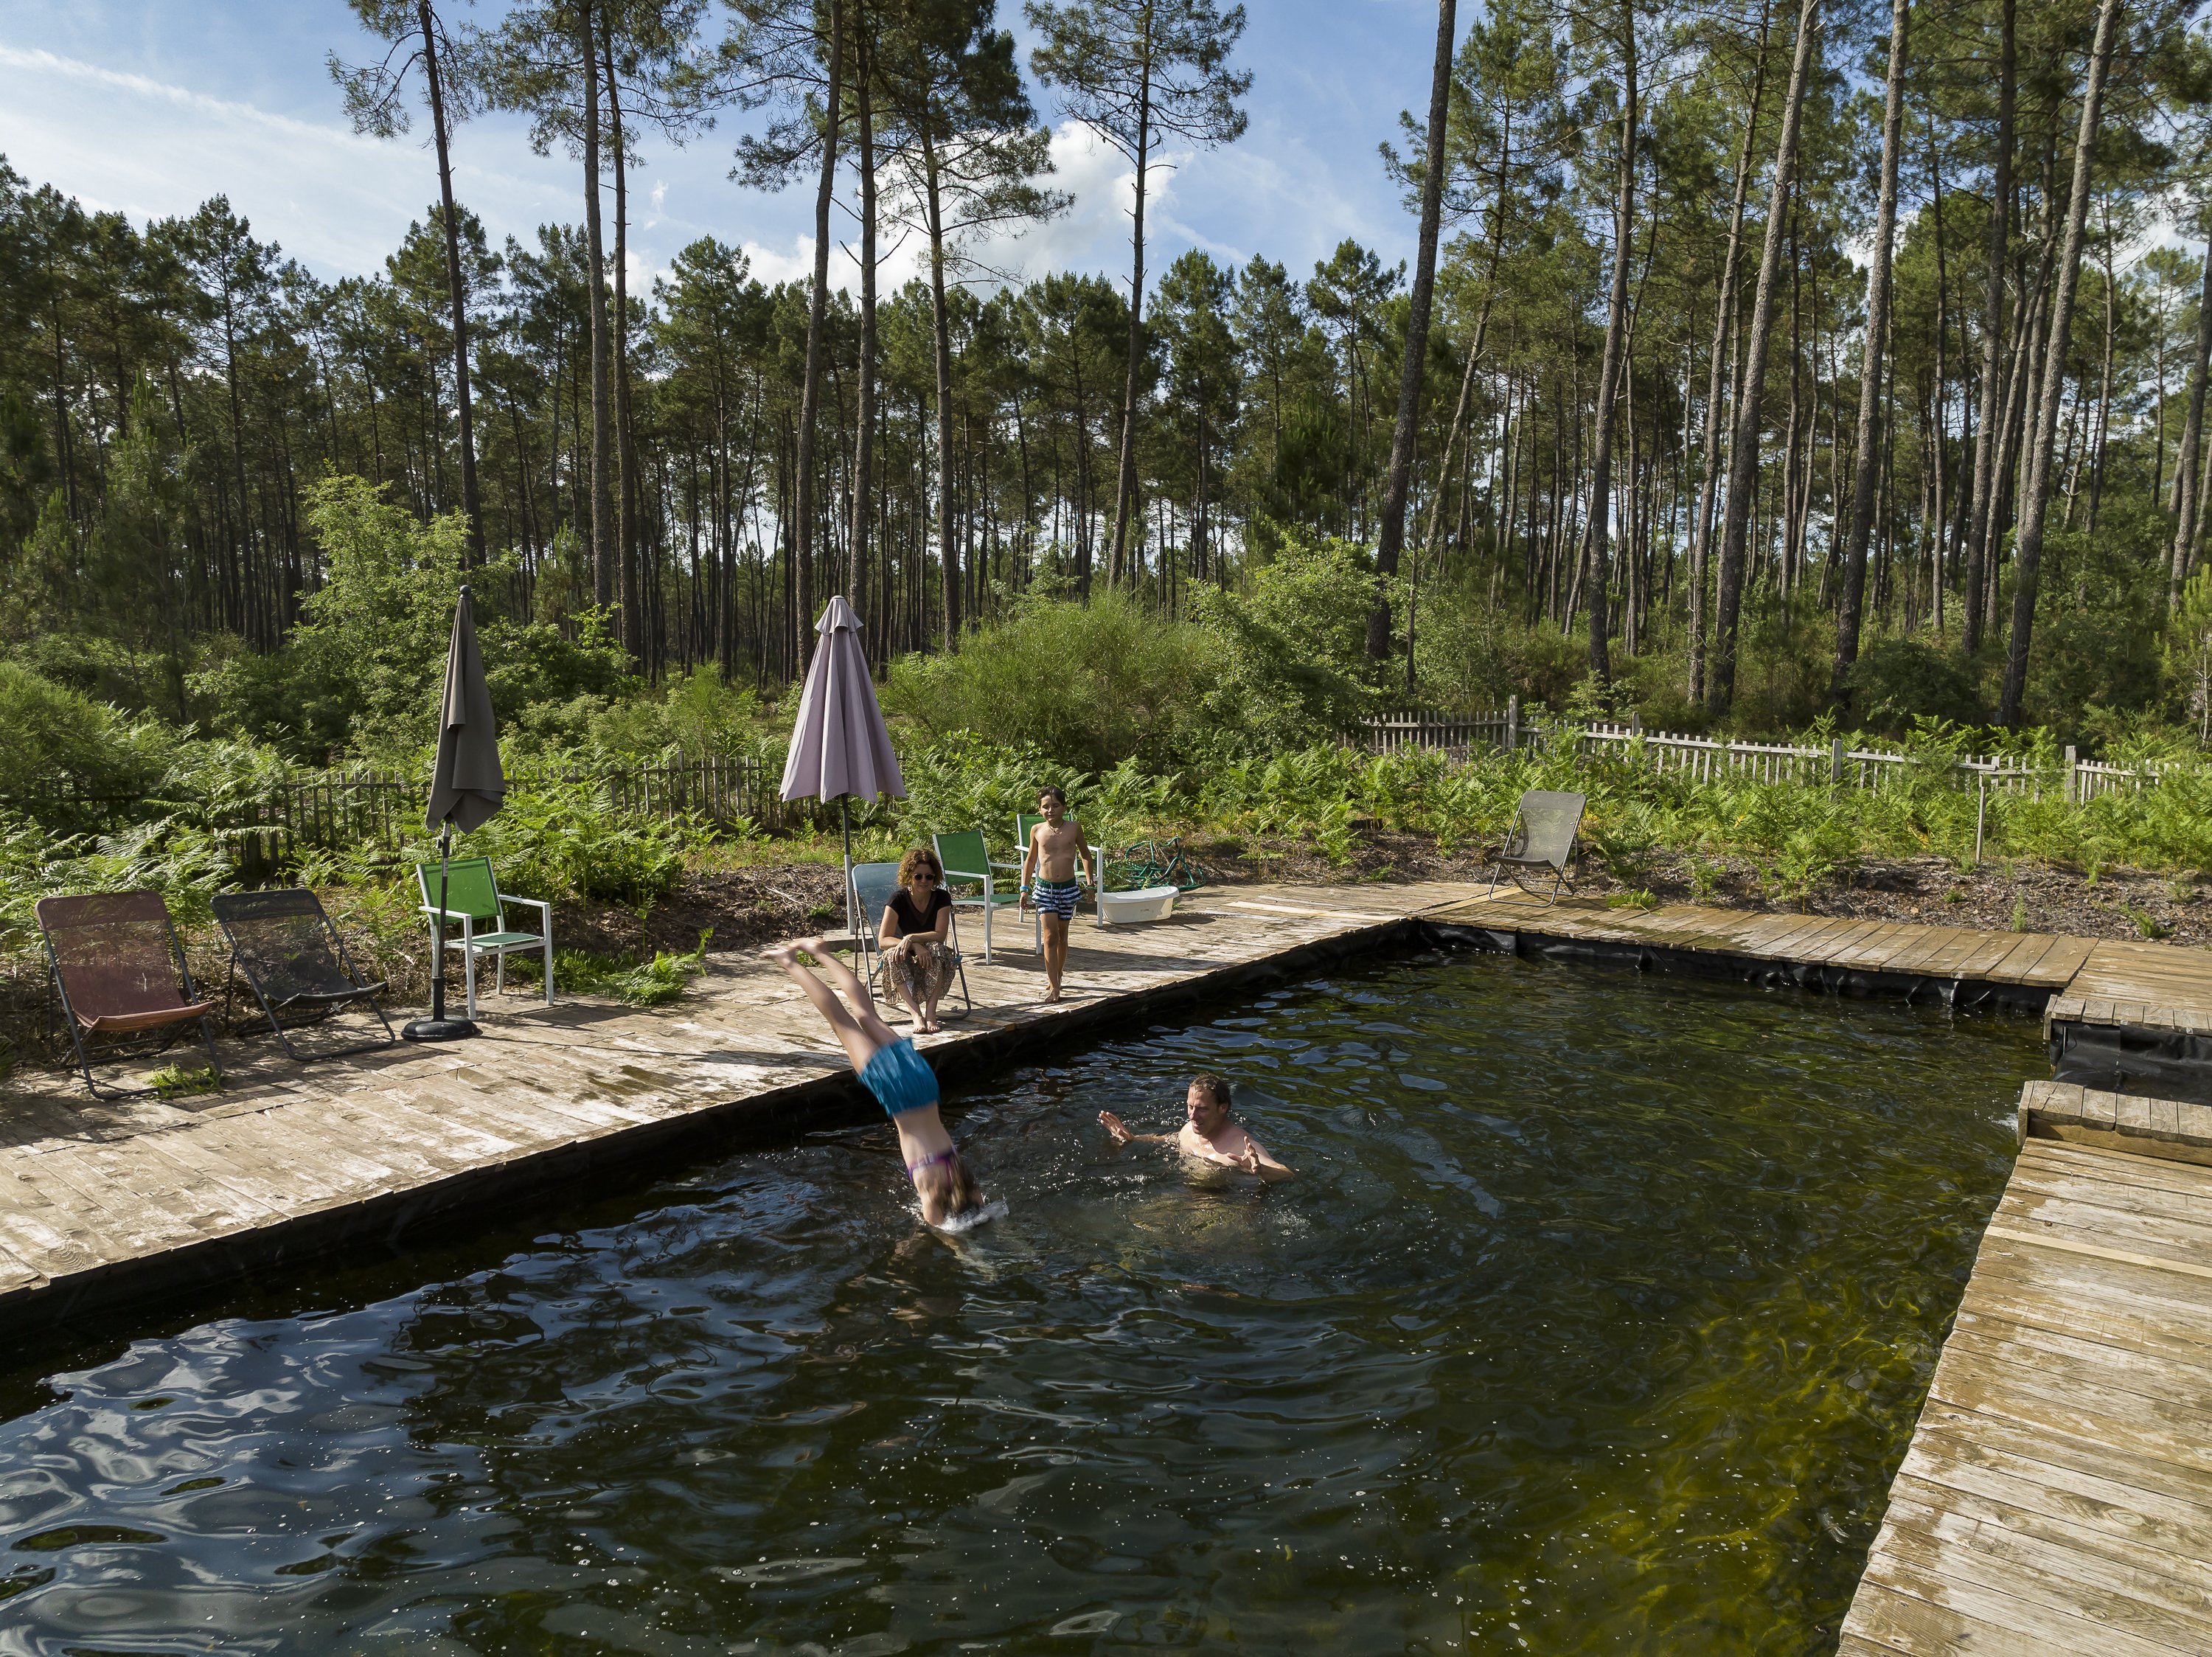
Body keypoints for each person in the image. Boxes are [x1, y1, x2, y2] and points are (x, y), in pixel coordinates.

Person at [764, 936, 989, 1227]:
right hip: (897, 1093)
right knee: (841, 1021)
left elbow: (983, 1211)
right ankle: (789, 962)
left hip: (923, 1082)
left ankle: (821, 953)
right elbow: (941, 1231)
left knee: (866, 1013)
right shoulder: (933, 1195)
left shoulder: (967, 1181)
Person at [1099, 1073, 1294, 1183]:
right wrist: (1133, 1138)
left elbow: (1287, 1174)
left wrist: (1259, 1169)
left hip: (1225, 1207)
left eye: (1202, 1109)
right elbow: (1171, 1139)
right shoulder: (1189, 1130)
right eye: (1190, 1107)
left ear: (1223, 1108)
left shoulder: (1241, 1146)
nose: (1192, 1115)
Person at [1018, 786, 1096, 1004]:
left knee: (1062, 936)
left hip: (1068, 888)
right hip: (1045, 889)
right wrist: (1024, 888)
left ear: (1064, 807)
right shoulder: (1037, 830)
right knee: (1050, 936)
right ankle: (1054, 986)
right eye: (1045, 807)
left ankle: (1058, 974)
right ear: (1039, 809)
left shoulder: (1074, 828)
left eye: (1055, 806)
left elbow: (1086, 855)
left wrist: (1090, 883)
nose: (1050, 810)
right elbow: (1031, 860)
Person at [878, 846, 958, 1034]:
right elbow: (883, 940)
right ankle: (916, 1014)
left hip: (930, 951)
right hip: (904, 950)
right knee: (891, 954)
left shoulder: (941, 897)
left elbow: (940, 934)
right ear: (909, 876)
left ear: (935, 878)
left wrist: (912, 937)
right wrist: (912, 944)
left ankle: (931, 1014)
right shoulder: (898, 898)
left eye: (929, 877)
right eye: (918, 876)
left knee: (937, 948)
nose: (924, 881)